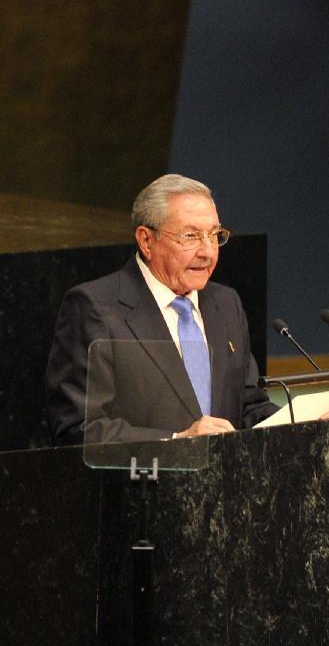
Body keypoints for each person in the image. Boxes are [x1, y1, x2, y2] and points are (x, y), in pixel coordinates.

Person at [46, 174, 282, 444]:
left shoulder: (226, 303)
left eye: (214, 235)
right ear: (147, 241)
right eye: (190, 236)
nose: (208, 251)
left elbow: (248, 406)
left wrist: (301, 422)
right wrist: (176, 441)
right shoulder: (94, 308)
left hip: (222, 483)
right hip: (142, 483)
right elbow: (77, 427)